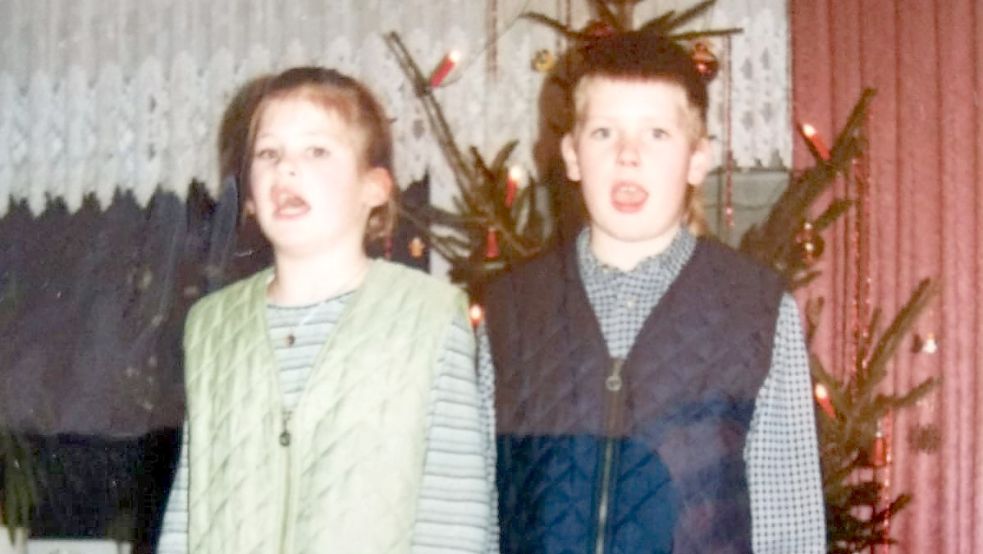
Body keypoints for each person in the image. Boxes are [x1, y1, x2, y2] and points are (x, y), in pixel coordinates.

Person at [484, 31, 826, 553]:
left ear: (696, 160)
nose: (627, 156)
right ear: (572, 155)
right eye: (603, 133)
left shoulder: (754, 307)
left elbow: (790, 522)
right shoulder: (511, 310)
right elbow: (476, 506)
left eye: (657, 135)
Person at [157, 66, 496, 554]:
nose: (286, 168)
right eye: (269, 153)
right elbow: (190, 505)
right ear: (249, 196)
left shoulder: (430, 315)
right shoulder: (211, 325)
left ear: (374, 188)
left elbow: (455, 516)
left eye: (316, 150)